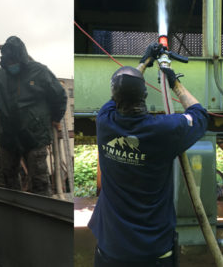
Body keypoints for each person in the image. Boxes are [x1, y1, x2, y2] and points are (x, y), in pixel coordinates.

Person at [88, 43, 209, 267]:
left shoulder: (104, 121)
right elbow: (199, 115)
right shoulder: (165, 131)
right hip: (152, 252)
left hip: (110, 249)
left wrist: (143, 62)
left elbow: (121, 91)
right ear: (145, 93)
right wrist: (174, 82)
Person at [0, 36, 67, 196]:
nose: (12, 65)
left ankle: (43, 215)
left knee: (39, 181)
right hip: (9, 136)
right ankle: (15, 212)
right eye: (8, 62)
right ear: (4, 61)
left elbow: (59, 95)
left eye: (14, 61)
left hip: (35, 136)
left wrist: (56, 119)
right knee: (9, 179)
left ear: (22, 58)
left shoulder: (39, 71)